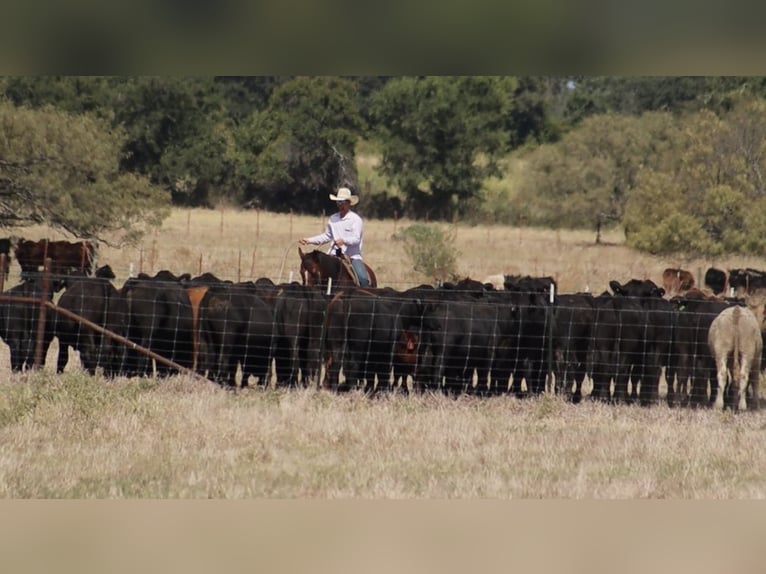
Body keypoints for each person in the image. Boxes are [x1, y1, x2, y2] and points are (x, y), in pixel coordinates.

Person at [299, 187, 370, 287]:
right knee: (315, 273)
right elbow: (327, 236)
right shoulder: (333, 218)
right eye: (338, 202)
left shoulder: (355, 220)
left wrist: (344, 240)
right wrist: (309, 240)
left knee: (363, 280)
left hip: (351, 256)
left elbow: (356, 239)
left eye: (342, 202)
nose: (340, 205)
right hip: (333, 255)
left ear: (348, 203)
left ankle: (365, 295)